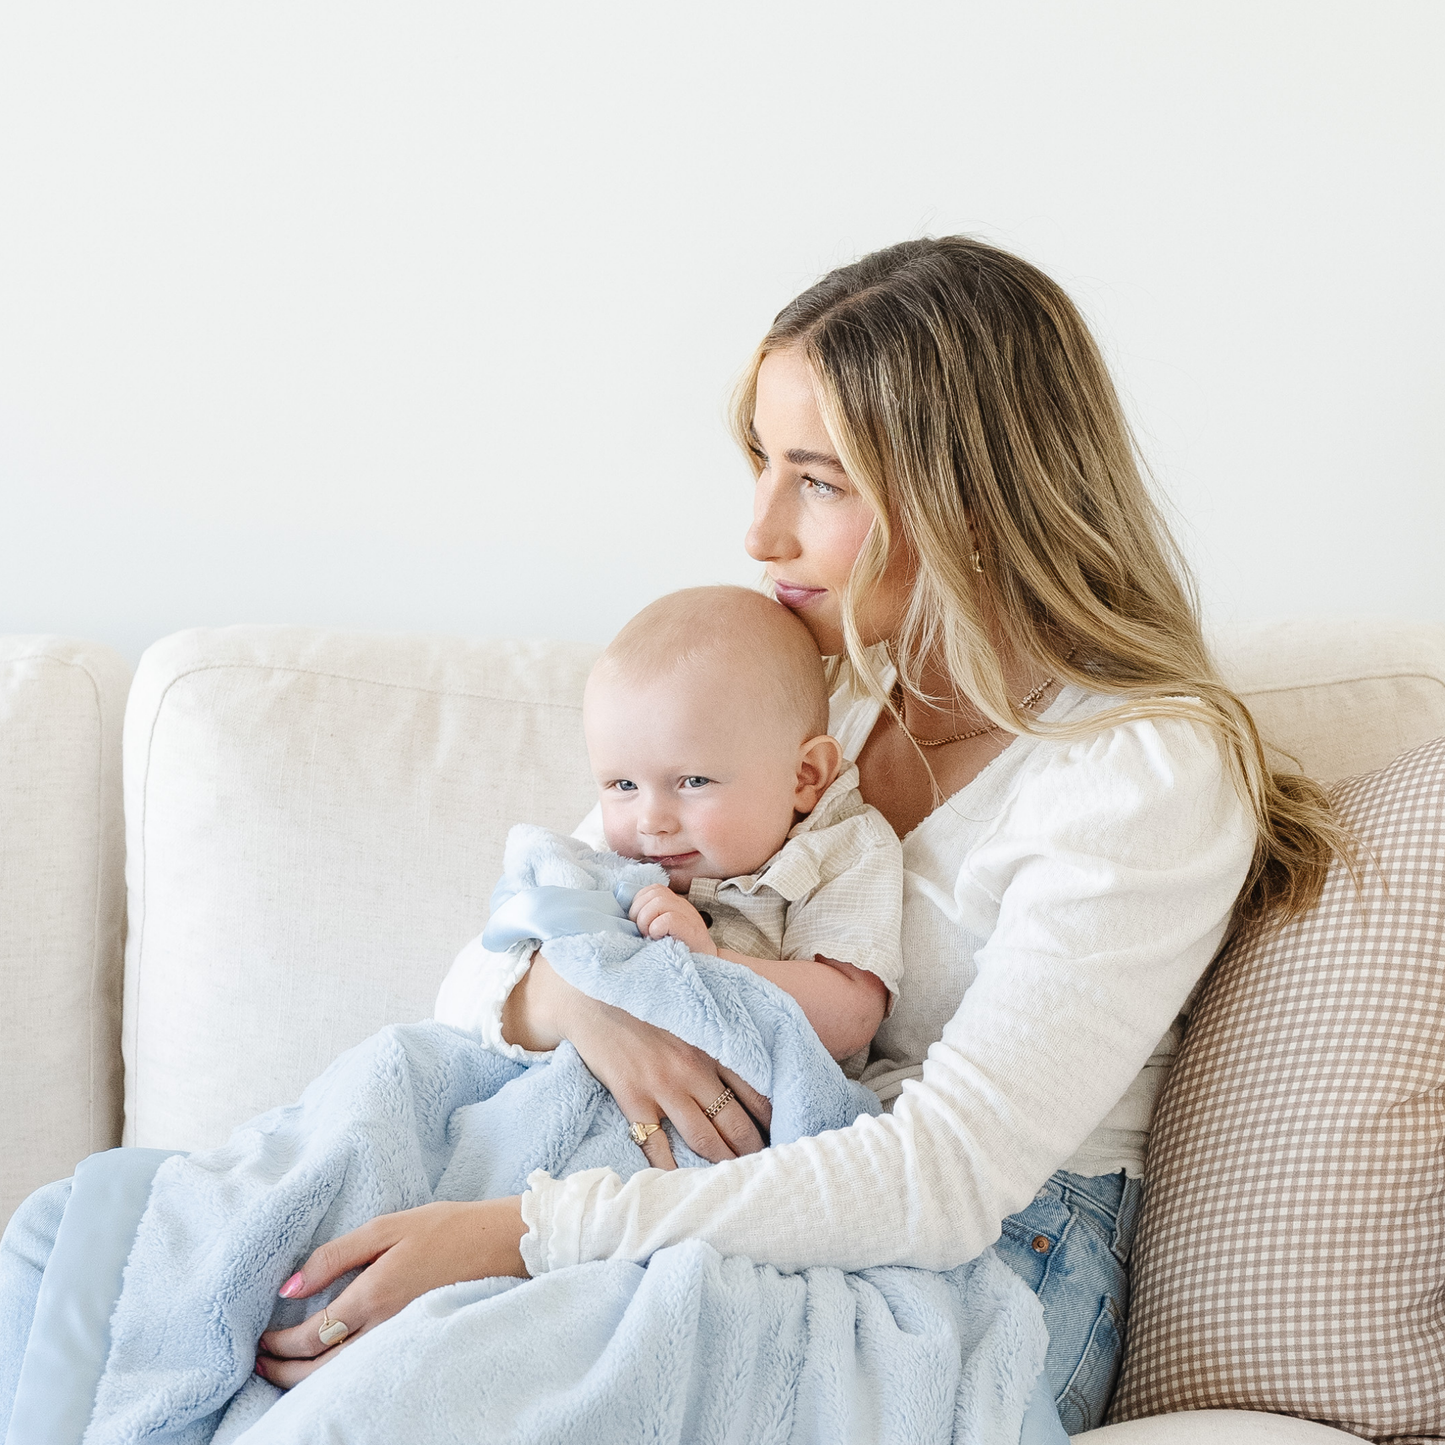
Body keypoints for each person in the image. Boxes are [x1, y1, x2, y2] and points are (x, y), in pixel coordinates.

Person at [55, 236, 1347, 1436]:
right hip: (692, 1187)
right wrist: (588, 1000)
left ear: (966, 499)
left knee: (411, 1379)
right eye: (761, 463)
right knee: (88, 1232)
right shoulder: (809, 687)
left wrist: (524, 1233)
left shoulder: (1135, 766)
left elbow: (948, 1178)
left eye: (818, 480)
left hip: (974, 1259)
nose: (760, 532)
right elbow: (490, 969)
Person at [435, 583, 903, 1075]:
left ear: (804, 777)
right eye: (622, 784)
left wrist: (714, 960)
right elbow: (486, 976)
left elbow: (852, 1016)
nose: (651, 821)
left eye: (694, 781)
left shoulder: (842, 849)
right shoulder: (612, 855)